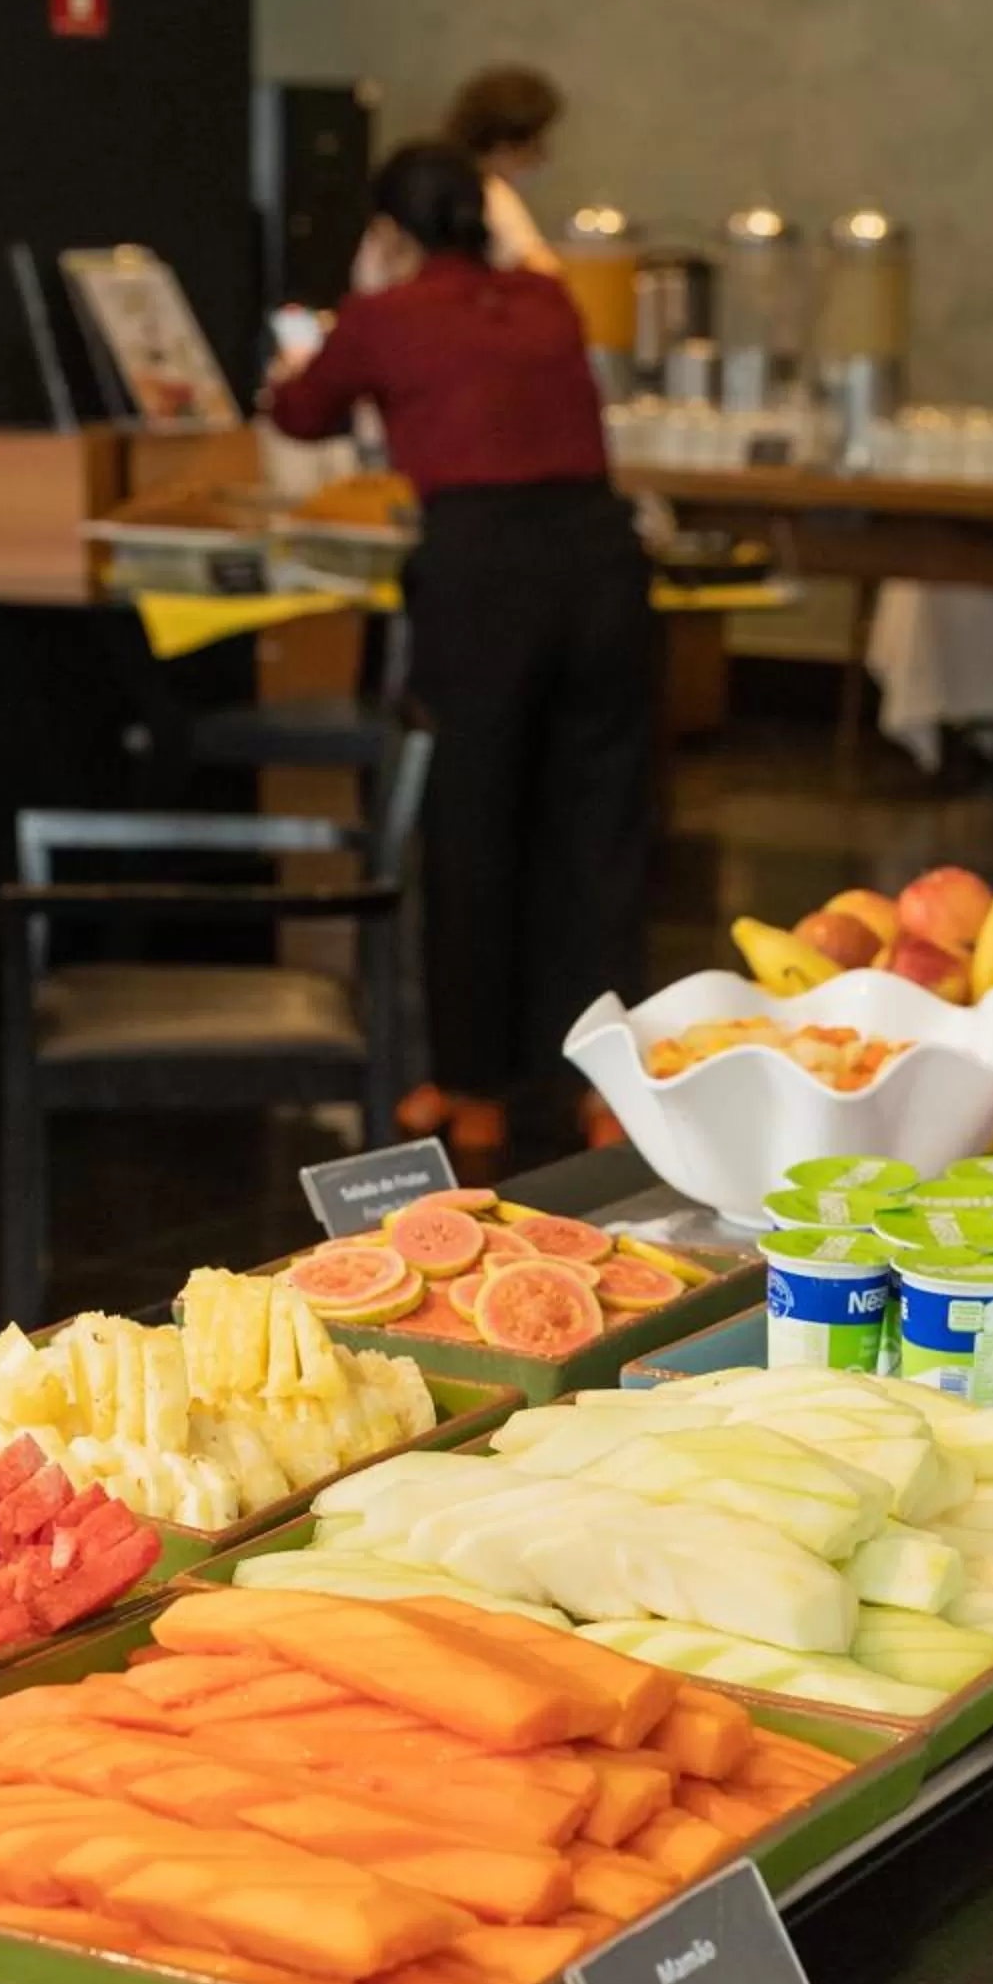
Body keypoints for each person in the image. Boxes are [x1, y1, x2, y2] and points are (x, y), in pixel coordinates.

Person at [268, 138, 652, 1164]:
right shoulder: (547, 300)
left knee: (473, 821)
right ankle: (604, 1091)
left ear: (388, 232)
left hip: (482, 576)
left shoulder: (385, 316)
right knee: (600, 830)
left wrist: (329, 333)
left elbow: (297, 413)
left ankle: (475, 1088)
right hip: (601, 563)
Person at [444, 63, 564, 275]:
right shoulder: (492, 196)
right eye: (536, 143)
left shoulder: (440, 190)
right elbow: (546, 274)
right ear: (504, 143)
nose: (543, 156)